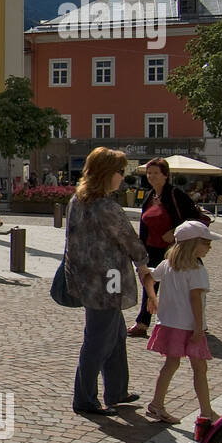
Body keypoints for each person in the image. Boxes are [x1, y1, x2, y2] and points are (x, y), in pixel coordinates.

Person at [65, 147, 158, 416]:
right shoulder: (106, 206)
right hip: (109, 280)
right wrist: (144, 265)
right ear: (107, 174)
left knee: (115, 333)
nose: (122, 177)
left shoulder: (77, 201)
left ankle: (117, 390)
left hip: (87, 278)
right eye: (120, 172)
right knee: (98, 338)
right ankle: (84, 398)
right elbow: (131, 241)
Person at [144, 220, 222, 426]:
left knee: (171, 364)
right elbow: (196, 299)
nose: (209, 247)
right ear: (193, 244)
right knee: (199, 369)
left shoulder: (168, 264)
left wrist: (152, 298)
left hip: (169, 323)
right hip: (188, 326)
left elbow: (148, 278)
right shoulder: (196, 269)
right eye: (206, 243)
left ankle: (157, 404)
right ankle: (206, 412)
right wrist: (199, 328)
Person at [129, 158, 201, 339]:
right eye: (149, 173)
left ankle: (190, 322)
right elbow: (144, 223)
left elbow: (194, 218)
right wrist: (141, 247)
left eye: (155, 173)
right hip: (152, 248)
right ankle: (142, 323)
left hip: (174, 250)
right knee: (149, 282)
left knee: (179, 287)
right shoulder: (149, 196)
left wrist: (175, 231)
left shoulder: (176, 194)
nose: (151, 176)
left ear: (165, 175)